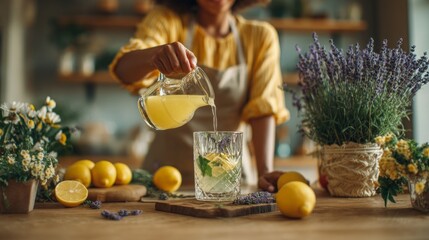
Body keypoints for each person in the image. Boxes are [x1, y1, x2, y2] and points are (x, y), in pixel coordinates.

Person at [109, 0, 289, 189]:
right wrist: (153, 56)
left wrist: (265, 171)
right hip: (163, 180)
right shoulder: (168, 21)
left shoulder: (259, 37)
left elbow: (263, 109)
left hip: (227, 181)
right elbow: (124, 71)